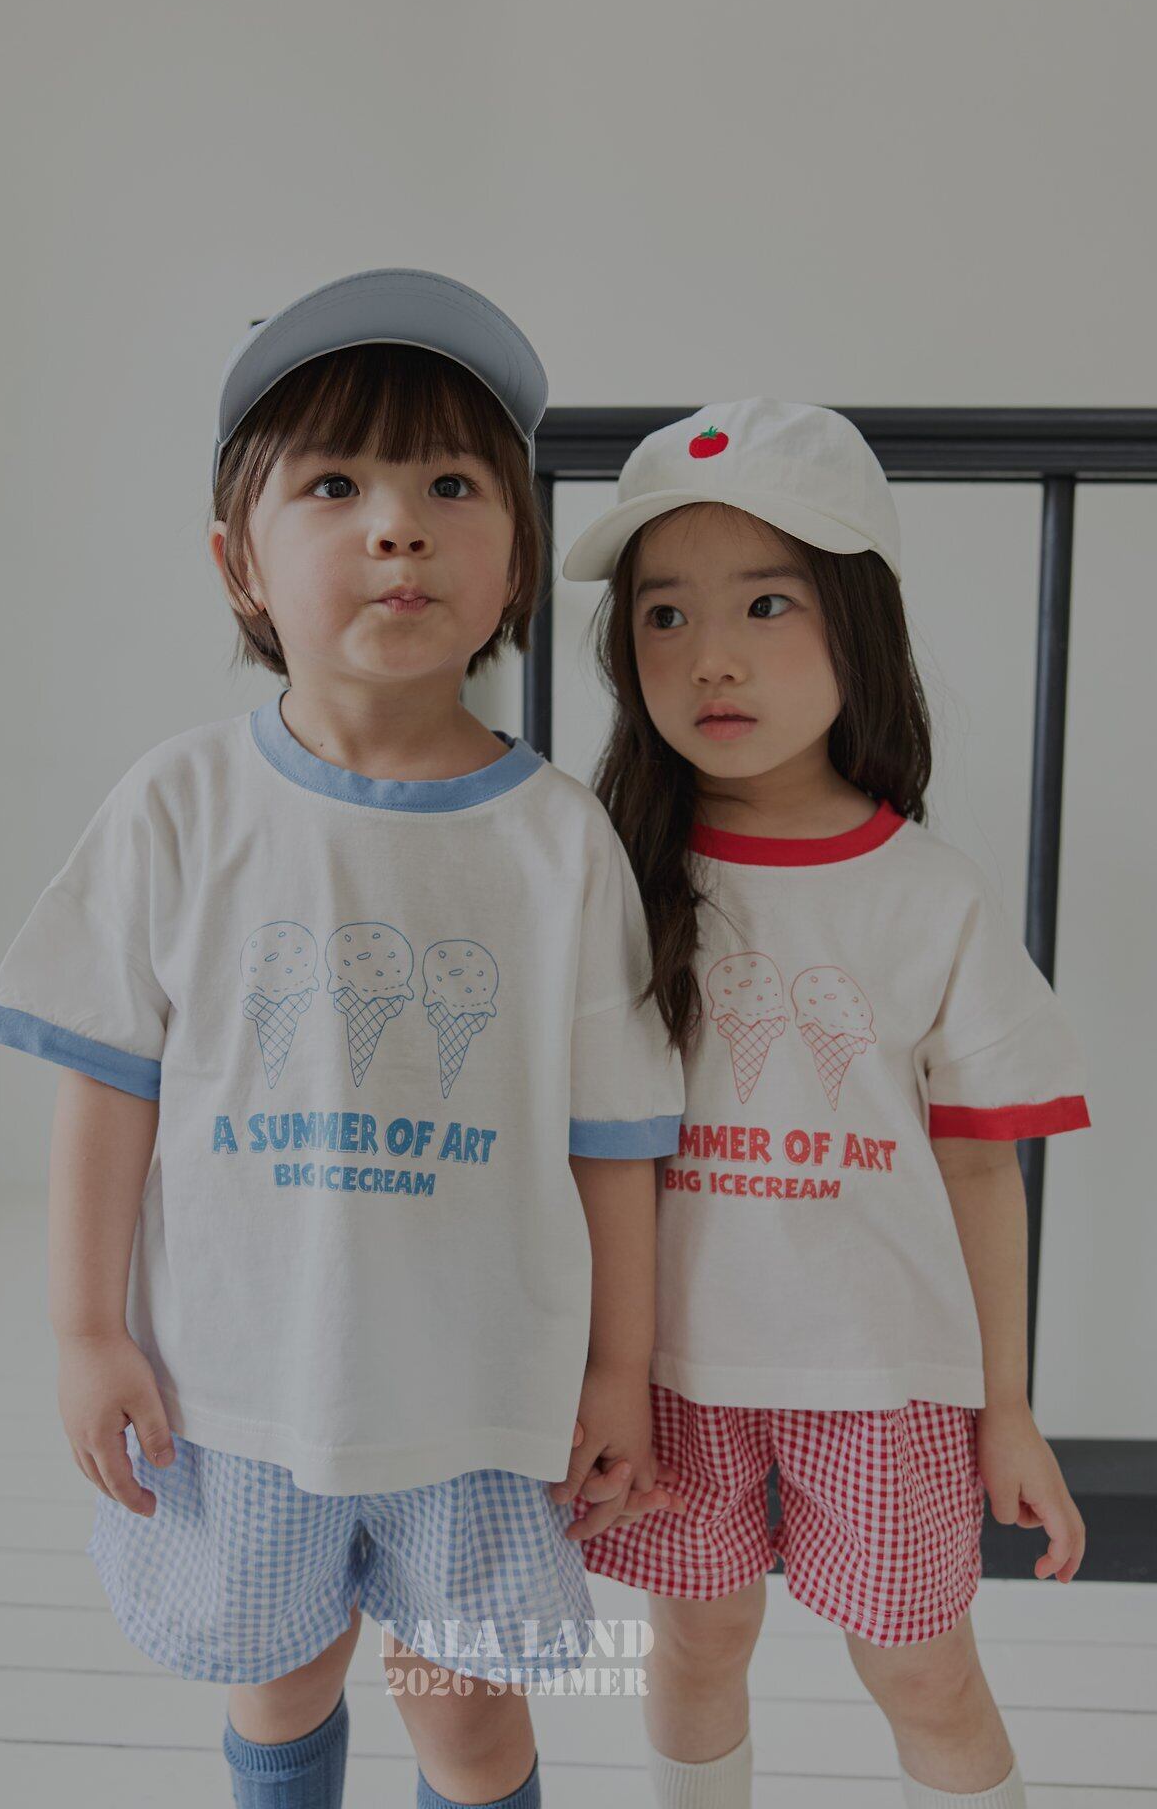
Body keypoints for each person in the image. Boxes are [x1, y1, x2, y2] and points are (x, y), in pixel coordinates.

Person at [0, 268, 685, 1809]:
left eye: (451, 486)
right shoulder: (179, 808)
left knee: (469, 1722)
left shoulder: (558, 843)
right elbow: (108, 1089)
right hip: (240, 1388)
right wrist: (87, 1331)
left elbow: (614, 1137)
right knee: (282, 1678)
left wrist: (620, 1369)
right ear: (238, 561)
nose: (398, 527)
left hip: (483, 1402)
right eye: (335, 486)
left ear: (518, 555)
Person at [556, 398, 1091, 1809]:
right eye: (663, 615)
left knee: (924, 1671)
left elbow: (981, 1170)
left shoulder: (931, 896)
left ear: (861, 626)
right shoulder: (609, 877)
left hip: (884, 1380)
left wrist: (1008, 1409)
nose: (710, 656)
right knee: (697, 1643)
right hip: (672, 1374)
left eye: (766, 603)